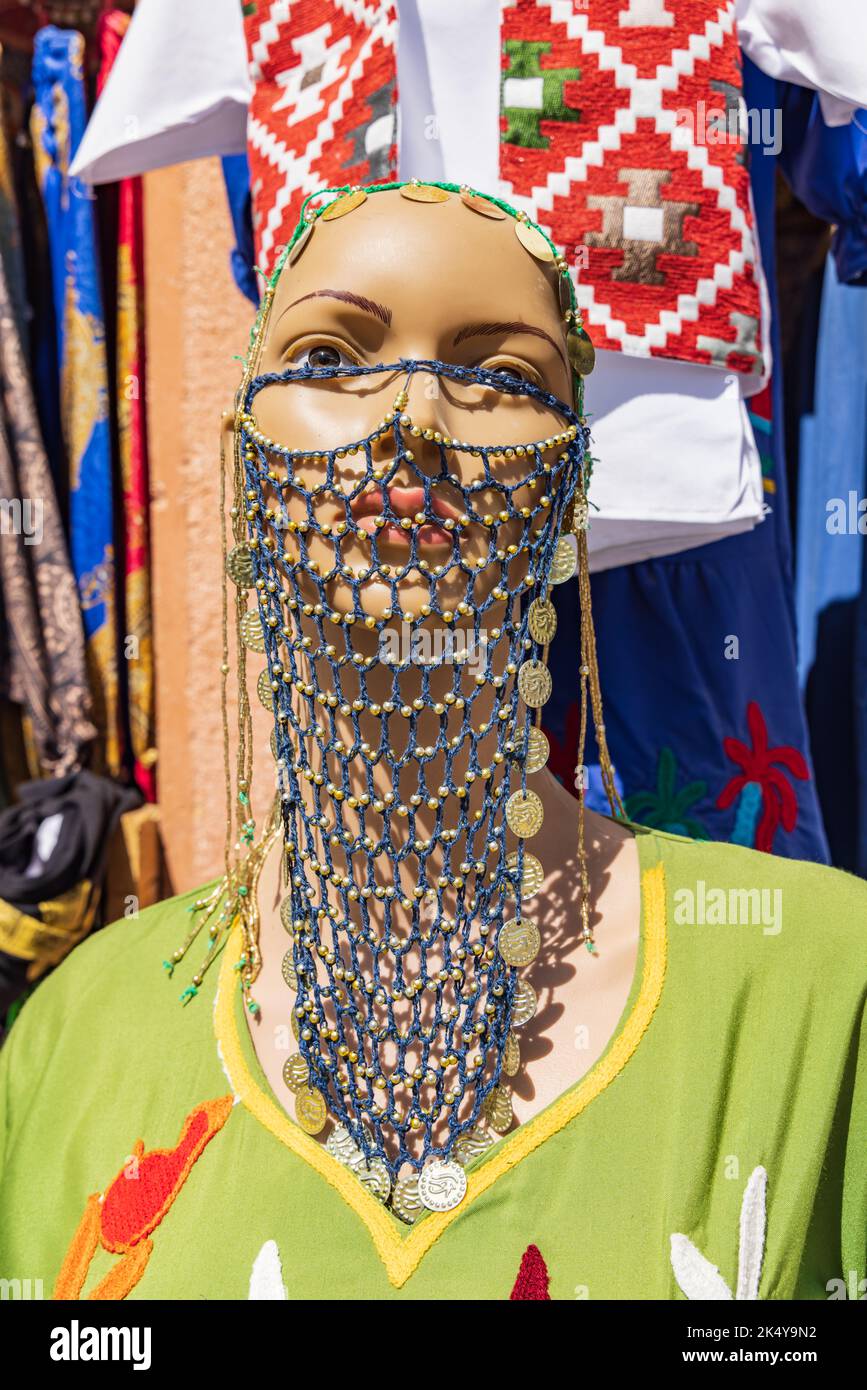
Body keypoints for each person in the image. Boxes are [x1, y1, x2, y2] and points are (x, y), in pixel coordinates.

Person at [0, 182, 864, 1302]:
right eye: (326, 357)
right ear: (246, 461)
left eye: (500, 375)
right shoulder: (77, 1035)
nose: (412, 416)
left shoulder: (818, 981)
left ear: (569, 493)